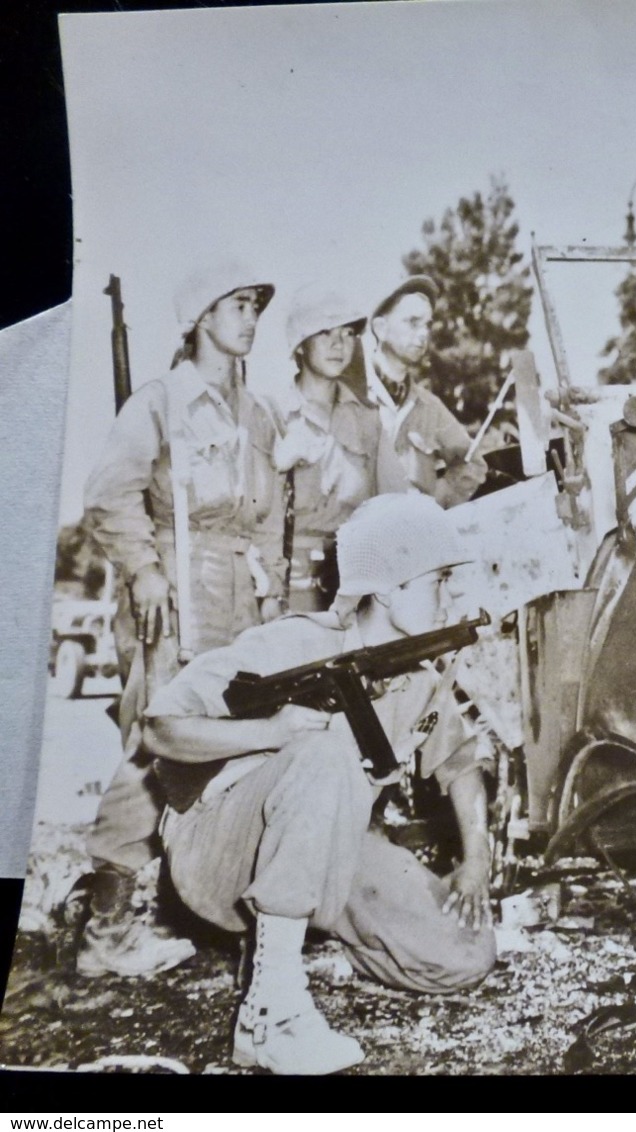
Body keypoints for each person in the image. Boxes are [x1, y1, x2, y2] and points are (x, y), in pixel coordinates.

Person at [144, 493, 501, 1075]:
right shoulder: (289, 643)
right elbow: (160, 730)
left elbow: (459, 761)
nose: (452, 594)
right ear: (388, 587)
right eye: (439, 579)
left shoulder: (417, 676)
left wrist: (477, 858)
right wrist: (270, 731)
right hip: (217, 847)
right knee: (322, 747)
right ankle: (272, 1014)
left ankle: (279, 947)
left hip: (323, 842)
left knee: (463, 955)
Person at [78, 262, 288, 979]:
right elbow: (109, 494)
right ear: (200, 315)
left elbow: (268, 521)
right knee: (155, 748)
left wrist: (273, 603)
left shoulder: (255, 413)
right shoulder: (162, 402)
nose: (250, 318)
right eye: (236, 304)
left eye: (256, 305)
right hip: (174, 596)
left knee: (230, 745)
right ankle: (105, 930)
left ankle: (213, 907)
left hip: (240, 599)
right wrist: (142, 568)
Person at [273, 286, 410, 612]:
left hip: (353, 582)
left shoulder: (367, 421)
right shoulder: (270, 414)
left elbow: (393, 504)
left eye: (348, 334)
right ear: (300, 346)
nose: (339, 344)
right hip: (289, 587)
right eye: (324, 333)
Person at [360, 276, 487, 507]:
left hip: (416, 536)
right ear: (380, 328)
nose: (423, 334)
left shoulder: (430, 407)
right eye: (412, 322)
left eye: (427, 324)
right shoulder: (351, 396)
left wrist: (436, 500)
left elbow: (472, 462)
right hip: (361, 537)